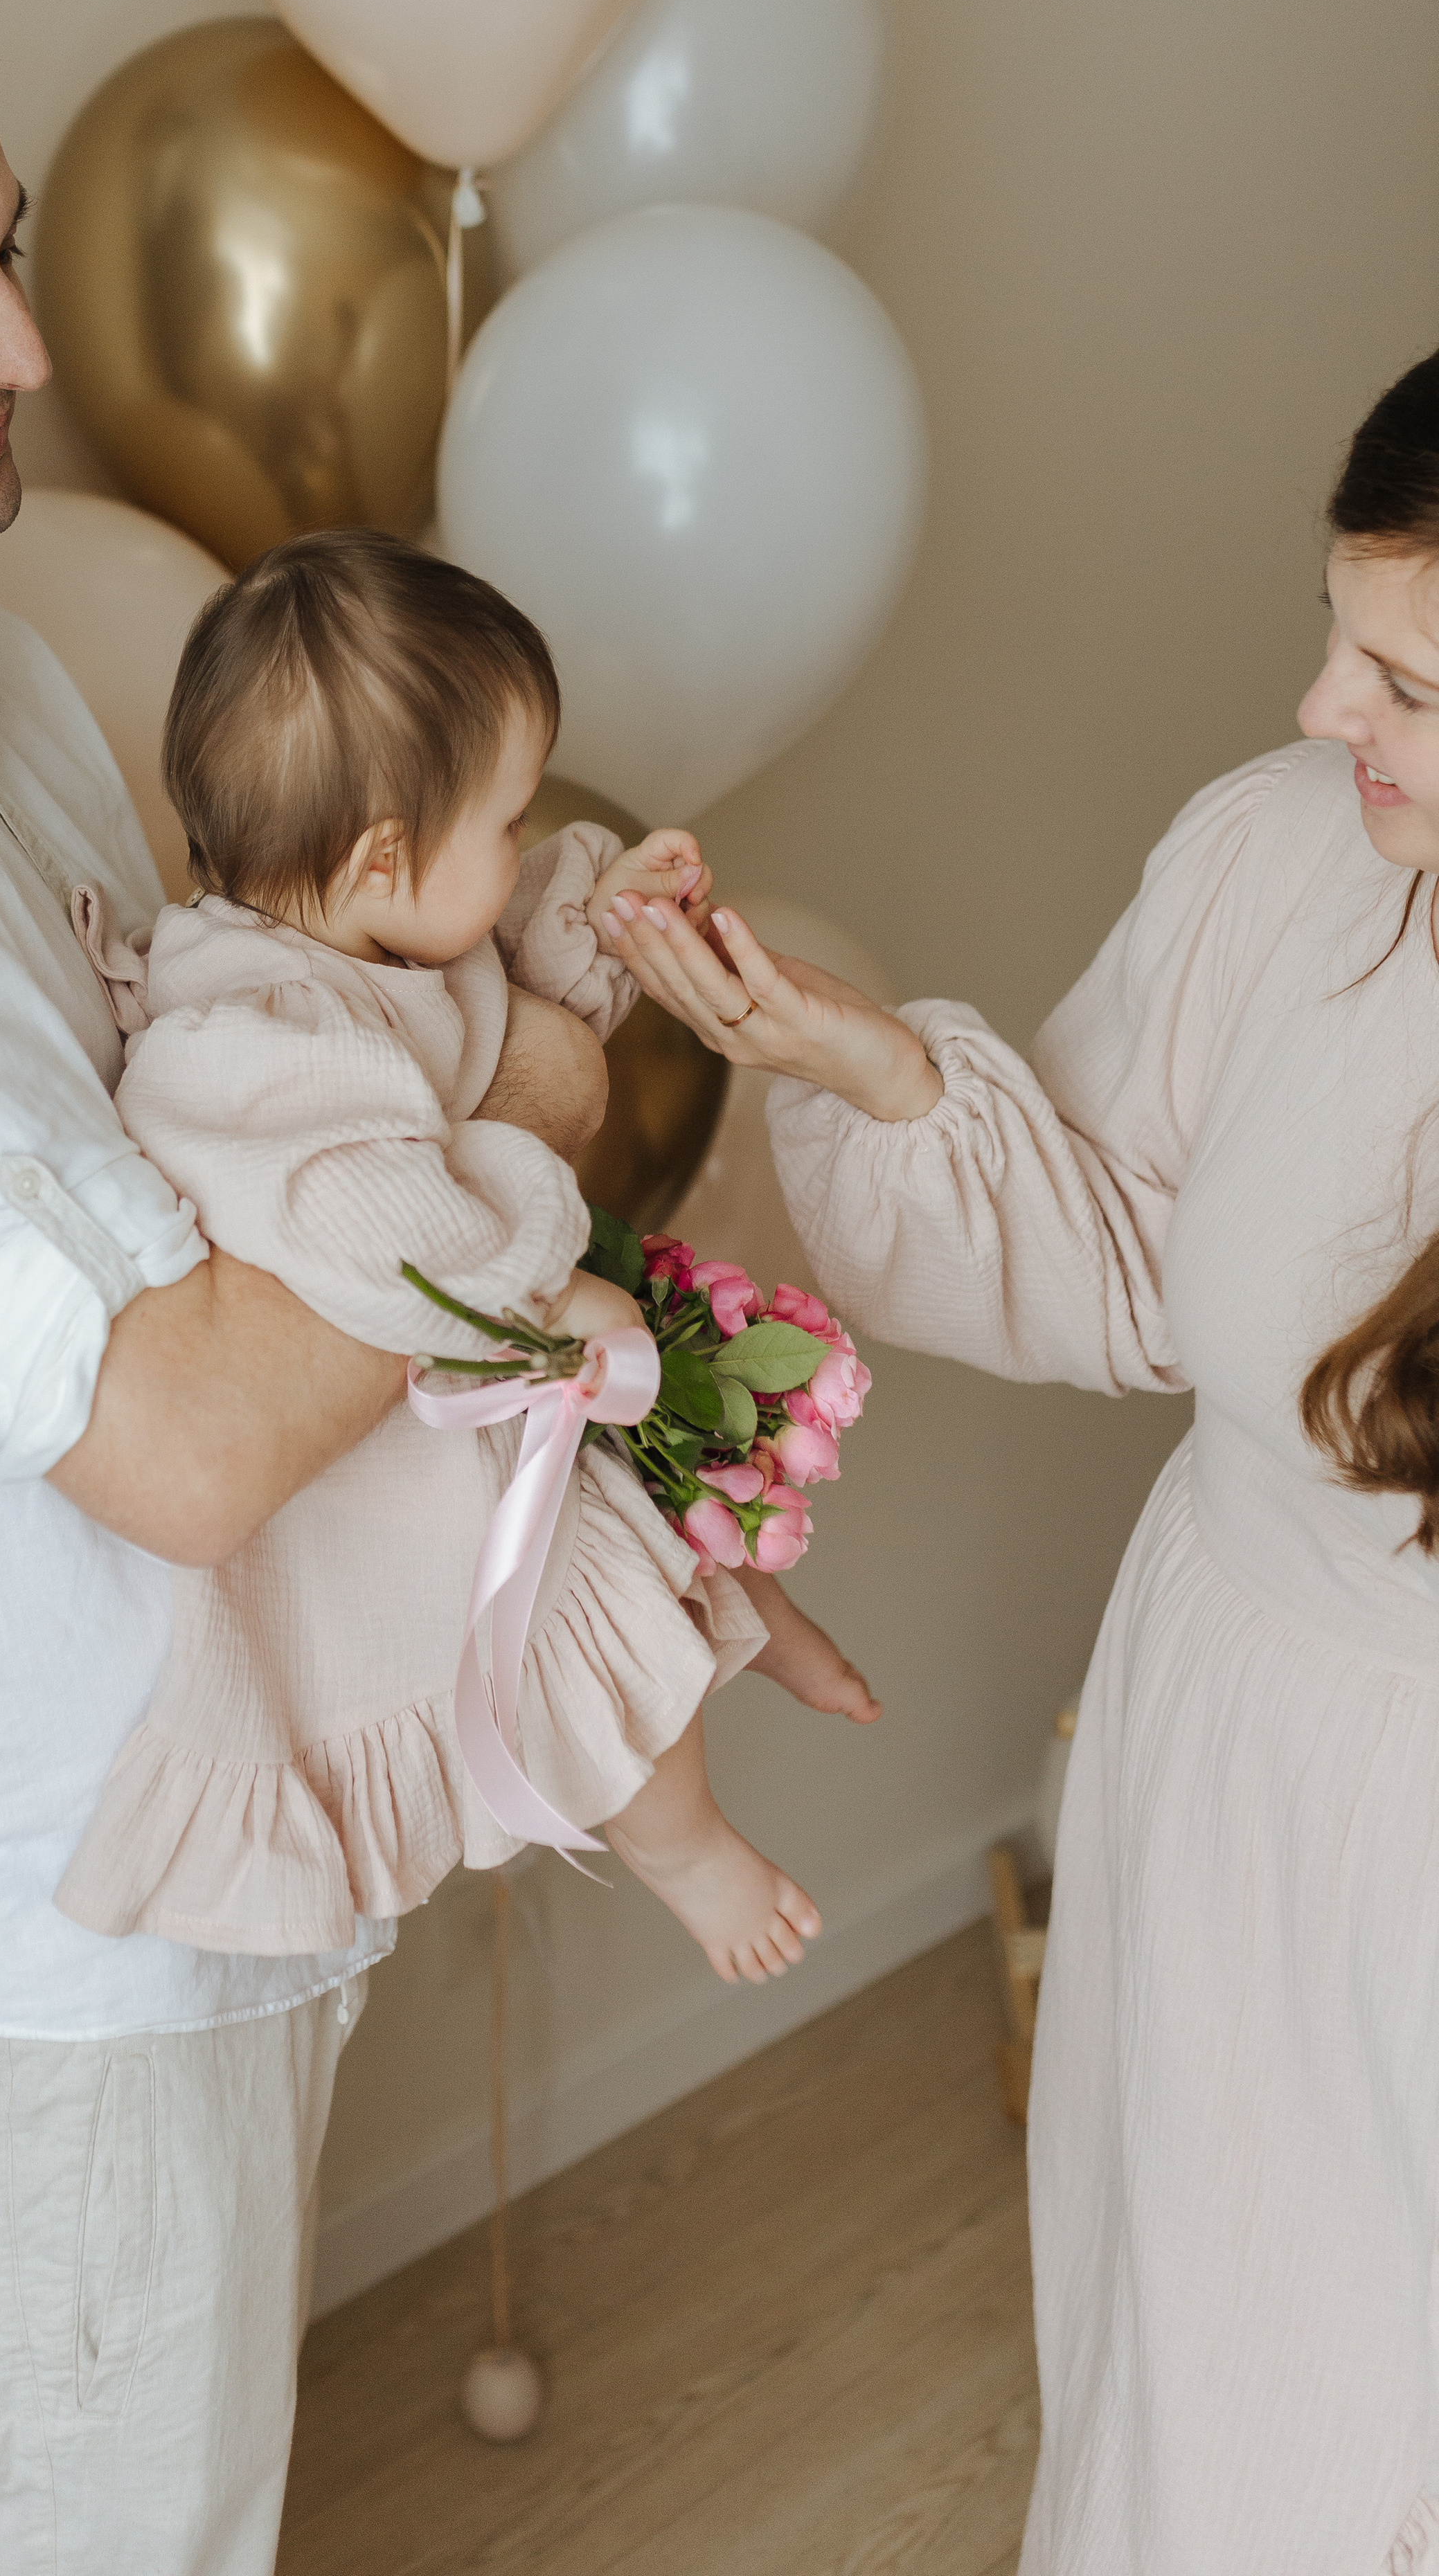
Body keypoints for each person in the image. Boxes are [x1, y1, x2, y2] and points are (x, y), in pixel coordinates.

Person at [0, 0, 592, 2572]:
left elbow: (252, 1167)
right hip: (25, 1978)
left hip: (186, 1878)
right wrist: (524, 1098)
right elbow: (181, 1431)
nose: (24, 344)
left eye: (9, 244)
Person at [603, 348, 1439, 2573]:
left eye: (1407, 683)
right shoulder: (1288, 860)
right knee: (1207, 2394)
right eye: (1343, 635)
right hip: (1232, 1748)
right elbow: (1138, 1262)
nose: (1317, 710)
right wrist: (870, 1069)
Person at [53, 528, 881, 1985]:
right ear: (383, 854)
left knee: (654, 1496)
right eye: (506, 824)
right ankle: (688, 1849)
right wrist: (538, 1280)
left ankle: (762, 1619)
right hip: (380, 1479)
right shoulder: (248, 1044)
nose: (515, 853)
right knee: (589, 1637)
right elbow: (391, 1240)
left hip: (472, 1397)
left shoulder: (369, 939)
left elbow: (488, 1003)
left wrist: (604, 914)